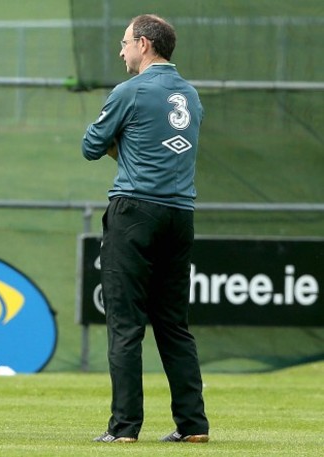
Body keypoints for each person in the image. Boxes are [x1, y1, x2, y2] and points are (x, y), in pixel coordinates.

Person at [81, 14, 209, 444]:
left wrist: (130, 151)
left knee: (125, 324)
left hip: (135, 212)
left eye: (124, 43)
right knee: (174, 324)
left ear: (143, 44)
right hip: (181, 215)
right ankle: (193, 426)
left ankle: (124, 429)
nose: (121, 52)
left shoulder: (130, 91)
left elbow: (90, 146)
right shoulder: (191, 95)